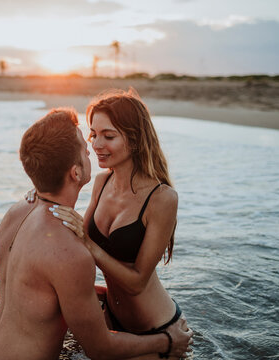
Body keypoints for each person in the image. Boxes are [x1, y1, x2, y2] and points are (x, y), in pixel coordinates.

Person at [0, 108, 193, 360]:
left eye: (106, 136)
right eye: (87, 148)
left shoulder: (17, 212)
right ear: (76, 172)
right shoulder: (70, 252)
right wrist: (168, 340)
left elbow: (38, 285)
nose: (94, 148)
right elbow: (100, 349)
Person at [42, 89, 186, 345]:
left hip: (158, 330)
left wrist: (88, 243)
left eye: (108, 136)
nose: (96, 145)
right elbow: (76, 241)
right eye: (94, 134)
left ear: (135, 139)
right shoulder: (101, 182)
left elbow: (137, 282)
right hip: (111, 319)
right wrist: (38, 197)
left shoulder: (162, 198)